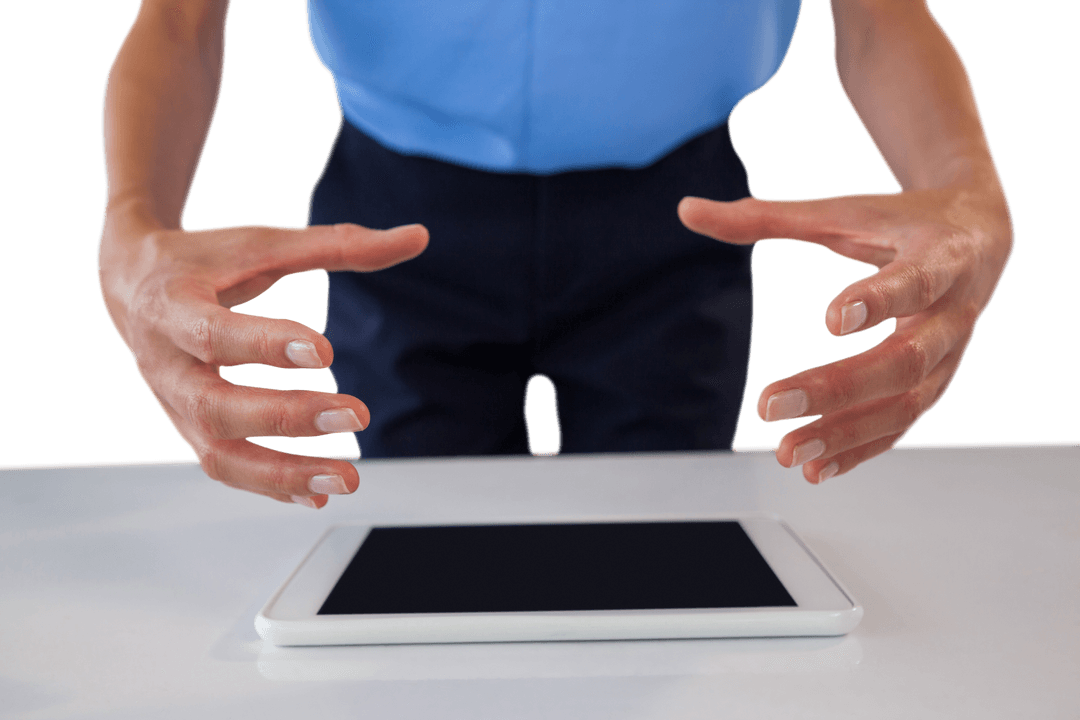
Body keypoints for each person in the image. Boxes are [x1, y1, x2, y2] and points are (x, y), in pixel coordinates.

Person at [98, 0, 1014, 508]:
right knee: (412, 580)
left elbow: (883, 14)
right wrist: (133, 226)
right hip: (397, 227)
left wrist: (968, 187)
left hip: (678, 218)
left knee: (669, 570)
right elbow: (178, 20)